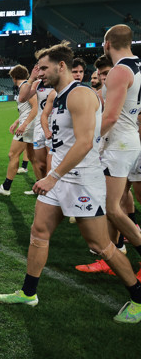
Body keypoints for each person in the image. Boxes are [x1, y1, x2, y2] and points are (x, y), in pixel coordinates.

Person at [0, 42, 141, 324]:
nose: (40, 73)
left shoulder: (80, 94)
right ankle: (28, 292)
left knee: (100, 245)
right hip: (60, 179)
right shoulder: (56, 95)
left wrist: (53, 176)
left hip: (82, 179)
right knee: (39, 231)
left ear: (62, 66)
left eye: (45, 68)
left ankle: (138, 296)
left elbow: (86, 142)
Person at [76, 25, 141, 275]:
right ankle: (112, 257)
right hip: (130, 140)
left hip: (119, 144)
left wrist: (88, 140)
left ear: (107, 44)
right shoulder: (137, 66)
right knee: (116, 206)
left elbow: (111, 117)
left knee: (112, 208)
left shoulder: (119, 71)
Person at [0, 65, 38, 196]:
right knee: (32, 157)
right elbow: (27, 109)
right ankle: (41, 186)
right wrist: (17, 122)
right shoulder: (25, 86)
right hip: (28, 125)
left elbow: (35, 107)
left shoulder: (24, 87)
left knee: (13, 154)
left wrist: (24, 124)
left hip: (27, 127)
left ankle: (6, 187)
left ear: (14, 77)